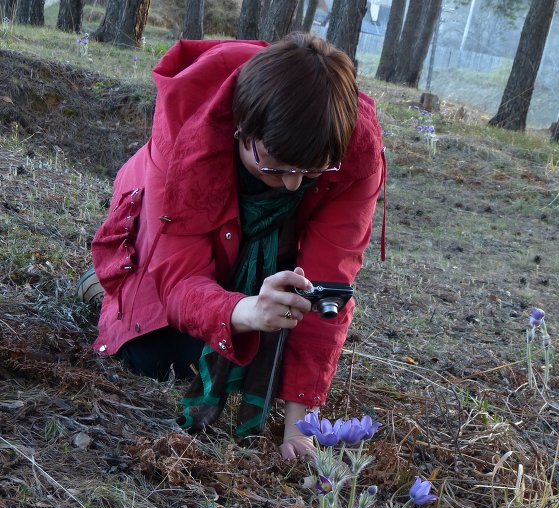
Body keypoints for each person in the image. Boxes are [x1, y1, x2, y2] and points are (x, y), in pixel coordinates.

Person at [87, 32, 385, 459]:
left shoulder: (355, 151)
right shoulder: (187, 134)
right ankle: (111, 286)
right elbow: (181, 278)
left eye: (311, 171)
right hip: (167, 230)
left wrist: (302, 427)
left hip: (263, 241)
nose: (292, 184)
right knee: (159, 357)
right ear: (240, 131)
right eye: (275, 167)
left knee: (264, 359)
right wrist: (247, 311)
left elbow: (329, 284)